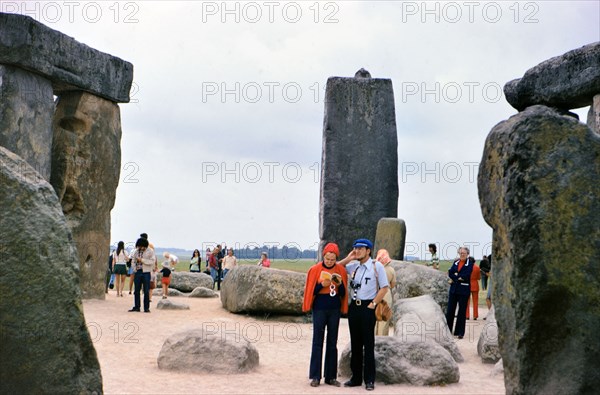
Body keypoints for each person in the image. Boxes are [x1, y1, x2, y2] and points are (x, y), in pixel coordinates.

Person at [338, 238, 389, 391]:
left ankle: (369, 379)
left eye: (361, 248)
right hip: (354, 308)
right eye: (355, 248)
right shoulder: (354, 266)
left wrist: (373, 304)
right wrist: (349, 258)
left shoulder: (376, 266)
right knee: (355, 344)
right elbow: (336, 267)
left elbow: (384, 287)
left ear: (368, 250)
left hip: (368, 307)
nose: (357, 250)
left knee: (368, 344)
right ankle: (356, 378)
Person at [303, 242, 348, 388]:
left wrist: (339, 284)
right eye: (327, 259)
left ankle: (330, 377)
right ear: (324, 256)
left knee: (332, 342)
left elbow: (343, 294)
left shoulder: (340, 270)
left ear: (336, 258)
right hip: (320, 308)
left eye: (332, 259)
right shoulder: (315, 269)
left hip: (334, 309)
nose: (329, 262)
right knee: (317, 341)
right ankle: (316, 376)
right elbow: (311, 291)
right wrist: (321, 285)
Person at [445, 246, 474, 339]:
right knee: (450, 311)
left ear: (467, 254)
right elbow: (450, 272)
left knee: (461, 312)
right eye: (460, 253)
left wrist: (456, 276)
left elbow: (466, 275)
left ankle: (460, 332)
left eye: (464, 253)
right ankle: (448, 330)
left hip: (463, 290)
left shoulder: (470, 263)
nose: (462, 255)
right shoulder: (456, 262)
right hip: (454, 290)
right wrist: (458, 277)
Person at [128, 237, 156, 313]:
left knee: (146, 290)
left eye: (141, 246)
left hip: (146, 272)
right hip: (138, 272)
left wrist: (142, 260)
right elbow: (133, 260)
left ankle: (146, 308)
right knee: (136, 290)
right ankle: (137, 306)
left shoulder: (150, 251)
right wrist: (134, 269)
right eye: (139, 246)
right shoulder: (136, 251)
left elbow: (152, 261)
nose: (140, 248)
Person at [374, 249, 396, 336]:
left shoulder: (374, 268)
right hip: (386, 294)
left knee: (374, 317)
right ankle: (382, 338)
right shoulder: (391, 270)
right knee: (384, 317)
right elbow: (393, 284)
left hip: (375, 293)